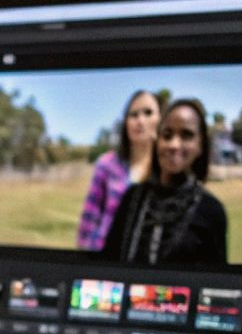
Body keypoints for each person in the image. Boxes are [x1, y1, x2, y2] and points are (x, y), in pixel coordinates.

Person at [101, 97, 228, 266]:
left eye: (186, 135)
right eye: (167, 135)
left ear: (200, 146)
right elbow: (107, 264)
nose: (174, 145)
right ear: (157, 142)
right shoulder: (132, 198)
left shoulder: (211, 211)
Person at [75, 90, 159, 251]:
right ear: (125, 122)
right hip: (104, 257)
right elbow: (89, 219)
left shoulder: (165, 170)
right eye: (133, 114)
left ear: (160, 119)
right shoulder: (106, 164)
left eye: (148, 113)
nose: (140, 120)